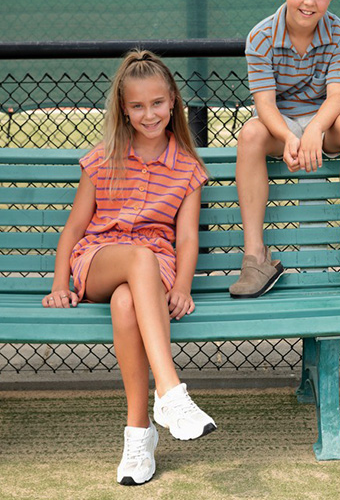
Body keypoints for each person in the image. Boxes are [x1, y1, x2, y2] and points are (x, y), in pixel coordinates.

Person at [42, 49, 216, 486]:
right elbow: (74, 228)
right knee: (136, 259)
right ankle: (170, 391)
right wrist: (60, 282)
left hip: (155, 267)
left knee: (126, 302)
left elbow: (186, 238)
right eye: (137, 106)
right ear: (123, 108)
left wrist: (182, 286)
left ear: (172, 101)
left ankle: (139, 435)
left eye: (157, 103)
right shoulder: (103, 157)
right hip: (100, 258)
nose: (149, 114)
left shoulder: (187, 168)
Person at [229, 0, 340, 299]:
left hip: (325, 124)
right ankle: (255, 256)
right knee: (249, 134)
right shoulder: (260, 37)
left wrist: (315, 128)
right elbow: (264, 104)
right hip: (279, 125)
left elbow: (338, 98)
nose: (309, 2)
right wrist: (288, 136)